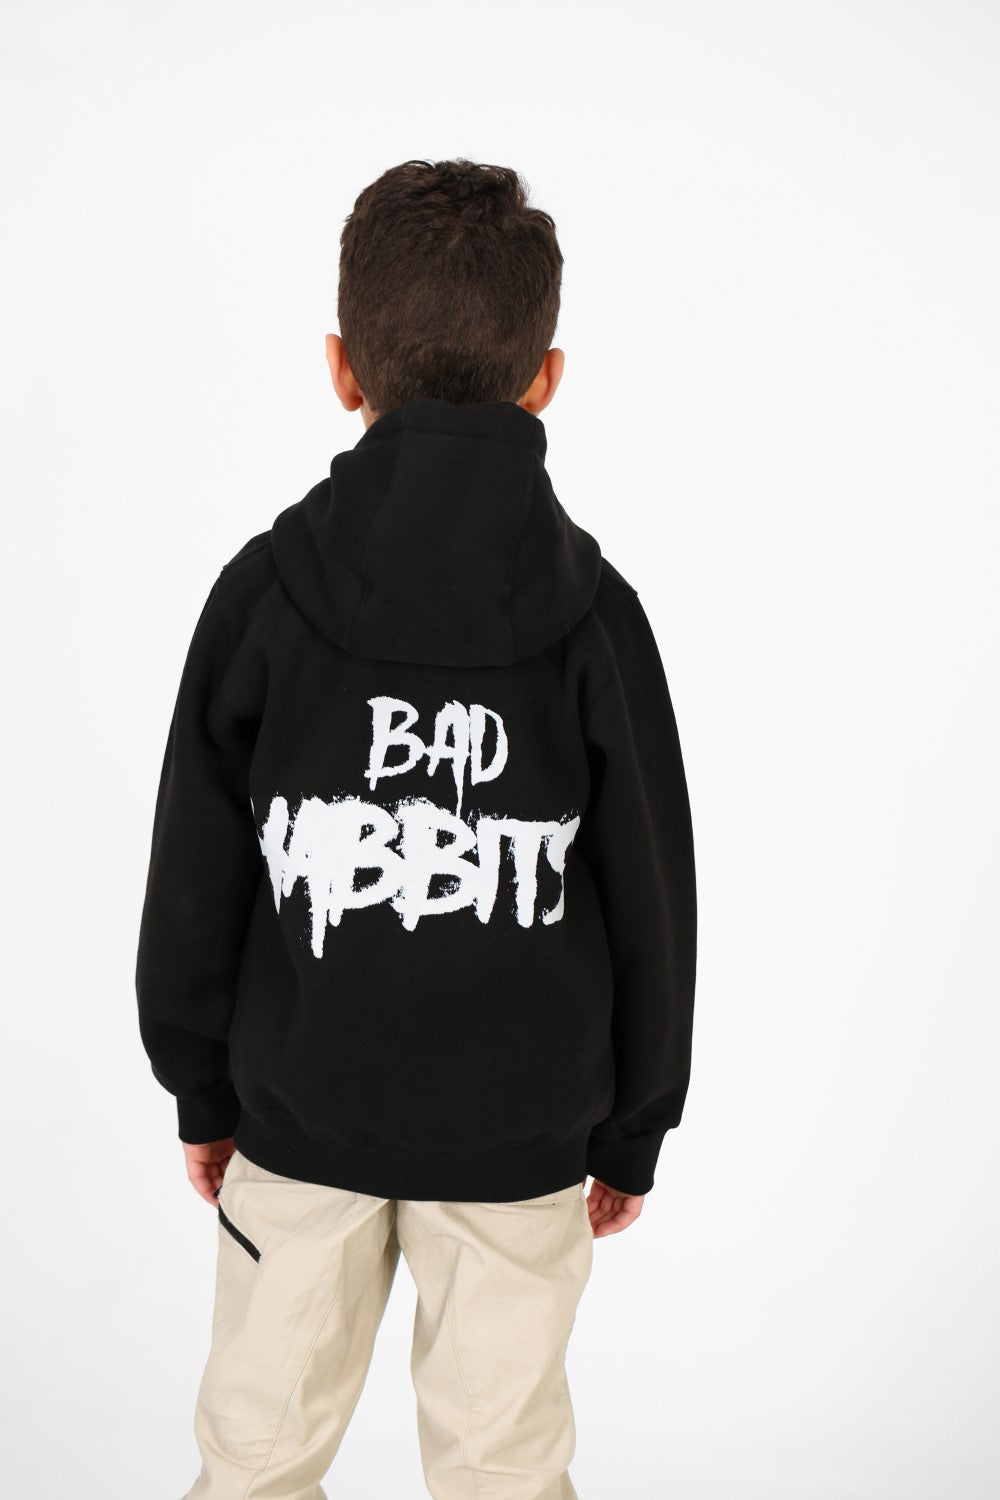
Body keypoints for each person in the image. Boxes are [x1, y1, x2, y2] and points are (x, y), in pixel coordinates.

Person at [135, 156, 698, 1500]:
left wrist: (201, 1085)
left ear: (342, 368)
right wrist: (635, 1124)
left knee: (255, 1458)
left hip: (295, 1121)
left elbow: (194, 870)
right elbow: (652, 890)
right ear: (544, 379)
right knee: (505, 1466)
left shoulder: (264, 595)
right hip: (520, 1140)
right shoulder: (597, 619)